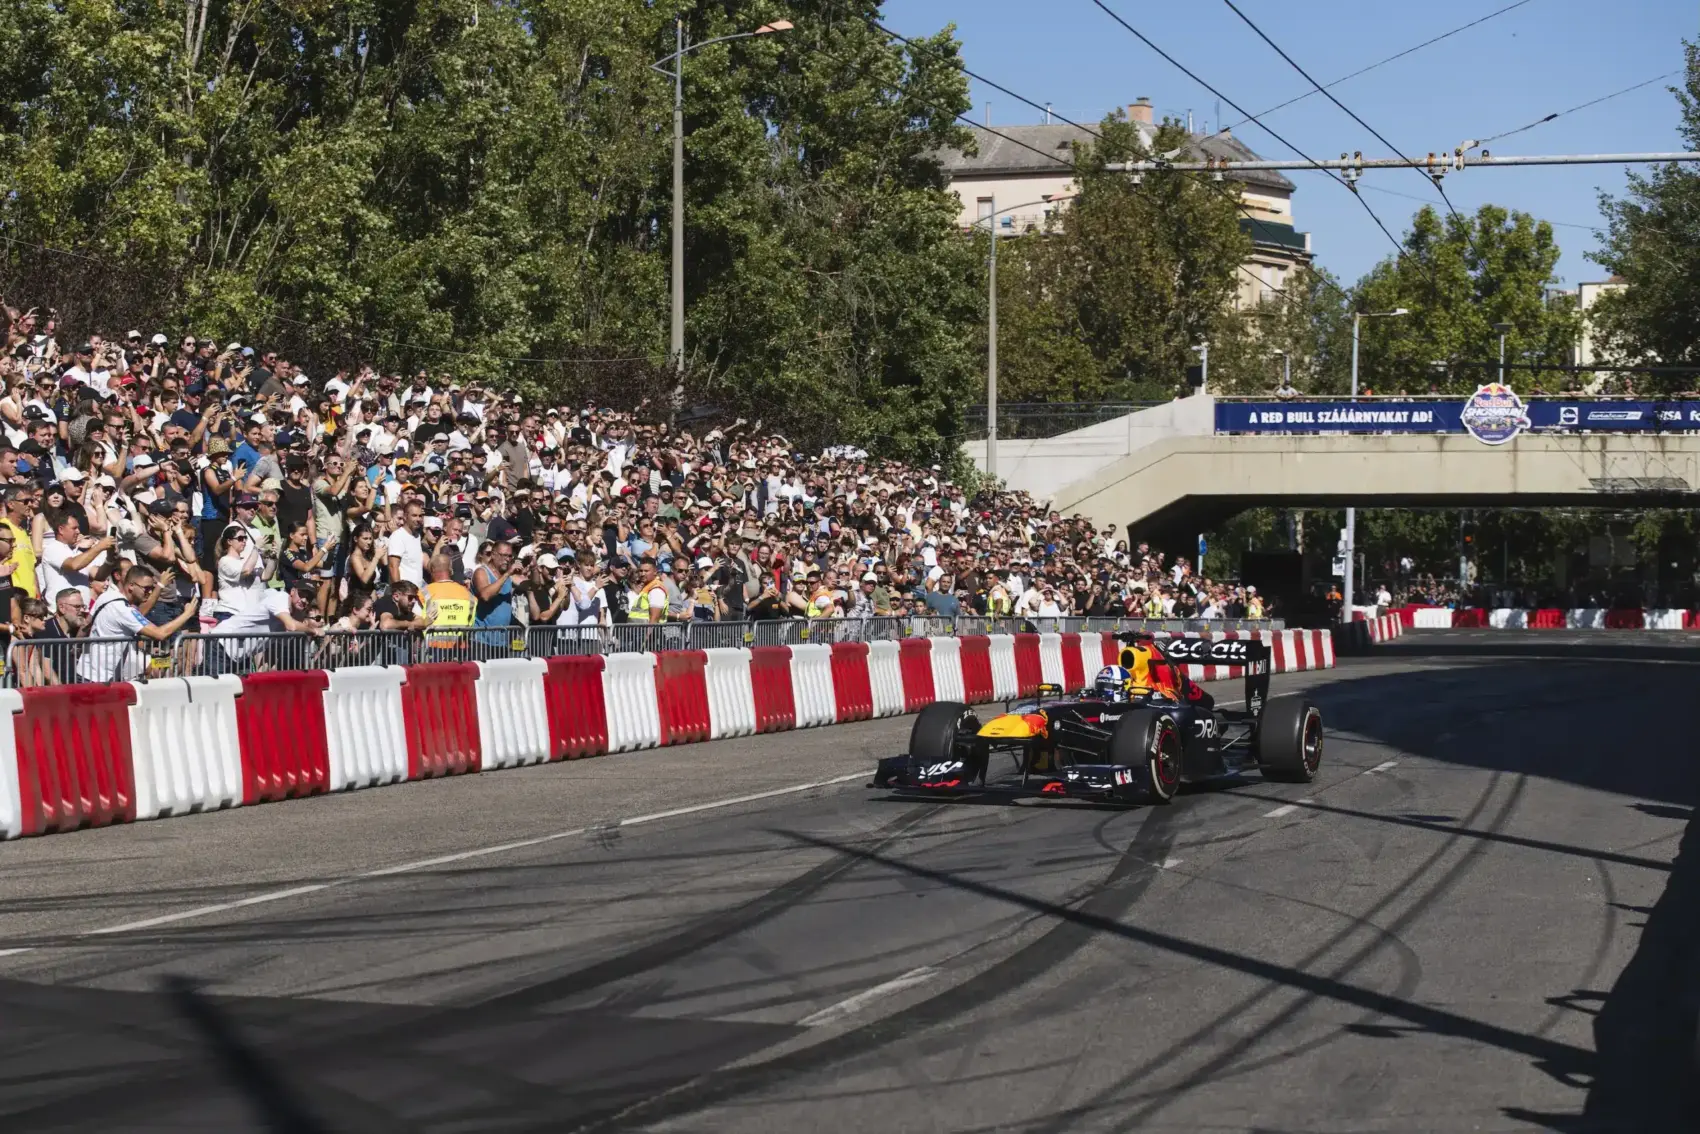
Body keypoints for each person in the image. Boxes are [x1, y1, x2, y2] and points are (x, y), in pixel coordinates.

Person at [80, 564, 200, 683]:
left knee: (164, 662)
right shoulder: (124, 610)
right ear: (131, 586)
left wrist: (75, 646)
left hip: (88, 670)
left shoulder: (106, 596)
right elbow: (160, 634)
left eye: (151, 589)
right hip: (98, 678)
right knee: (161, 664)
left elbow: (86, 624)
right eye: (146, 588)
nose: (149, 592)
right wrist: (187, 614)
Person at [422, 552, 475, 651]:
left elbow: (418, 621)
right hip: (460, 648)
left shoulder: (424, 592)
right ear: (450, 569)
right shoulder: (469, 595)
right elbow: (471, 622)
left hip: (433, 648)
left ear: (432, 569)